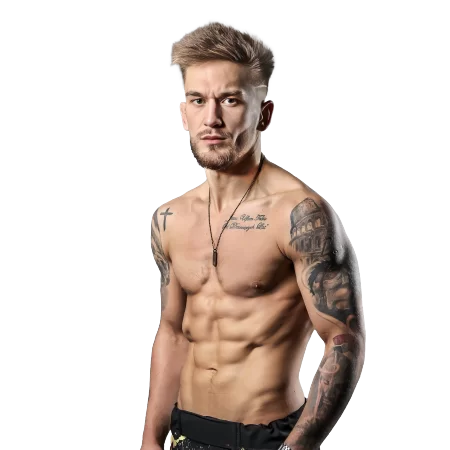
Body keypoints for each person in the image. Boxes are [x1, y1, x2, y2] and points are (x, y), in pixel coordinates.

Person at [140, 18, 366, 450]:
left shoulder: (299, 215)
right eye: (197, 100)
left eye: (230, 100)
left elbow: (343, 340)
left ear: (264, 114)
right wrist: (151, 438)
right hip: (186, 435)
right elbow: (172, 332)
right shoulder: (169, 218)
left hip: (267, 440)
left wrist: (298, 446)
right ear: (184, 113)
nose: (212, 118)